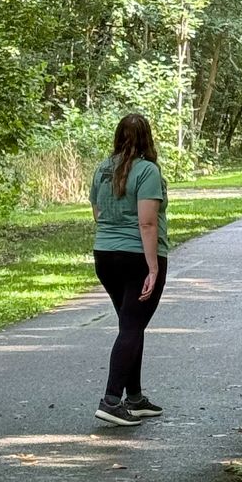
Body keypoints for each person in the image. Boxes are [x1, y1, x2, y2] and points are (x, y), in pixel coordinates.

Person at [89, 111, 169, 427]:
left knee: (129, 324)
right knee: (132, 326)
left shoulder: (102, 170)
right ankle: (111, 400)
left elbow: (97, 212)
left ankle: (134, 399)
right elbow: (147, 222)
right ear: (148, 138)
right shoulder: (147, 171)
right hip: (138, 256)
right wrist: (152, 268)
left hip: (105, 255)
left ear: (118, 136)